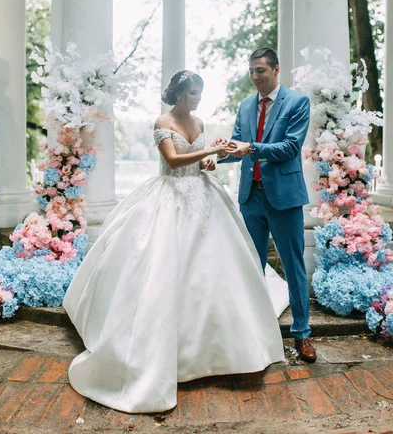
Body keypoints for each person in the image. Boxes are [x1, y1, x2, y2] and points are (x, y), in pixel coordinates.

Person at [63, 69, 288, 414]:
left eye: (200, 93)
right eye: (193, 93)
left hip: (204, 196)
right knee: (159, 267)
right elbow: (172, 160)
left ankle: (228, 347)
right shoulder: (161, 121)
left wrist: (214, 158)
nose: (197, 99)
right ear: (179, 94)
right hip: (169, 197)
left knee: (217, 270)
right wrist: (207, 151)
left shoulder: (198, 122)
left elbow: (204, 164)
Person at [213, 47, 316, 363]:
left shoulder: (297, 103)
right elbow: (237, 148)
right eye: (251, 71)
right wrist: (214, 155)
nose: (255, 76)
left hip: (284, 198)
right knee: (250, 265)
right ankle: (253, 331)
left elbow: (289, 148)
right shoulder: (245, 106)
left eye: (260, 70)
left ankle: (302, 335)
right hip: (250, 197)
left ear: (276, 69)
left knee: (293, 264)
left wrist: (251, 147)